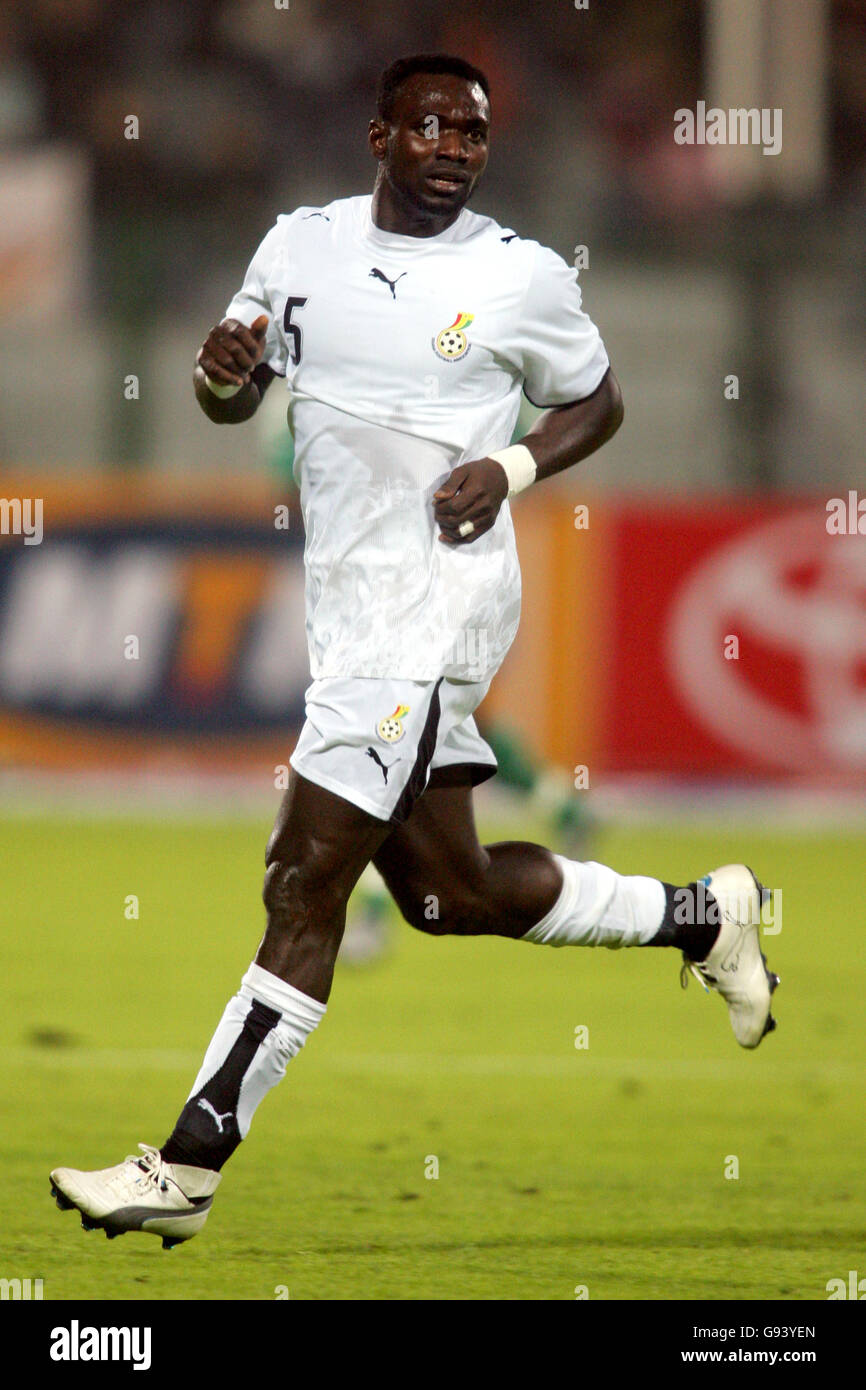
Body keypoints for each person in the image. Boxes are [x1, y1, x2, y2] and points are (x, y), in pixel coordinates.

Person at [49, 54, 779, 1250]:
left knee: (302, 884)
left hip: (430, 602)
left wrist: (513, 466)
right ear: (379, 134)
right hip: (354, 605)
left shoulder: (519, 276)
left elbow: (598, 401)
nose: (453, 145)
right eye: (431, 125)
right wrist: (214, 374)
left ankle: (186, 1164)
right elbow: (231, 392)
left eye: (474, 132)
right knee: (449, 894)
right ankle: (704, 914)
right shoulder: (296, 248)